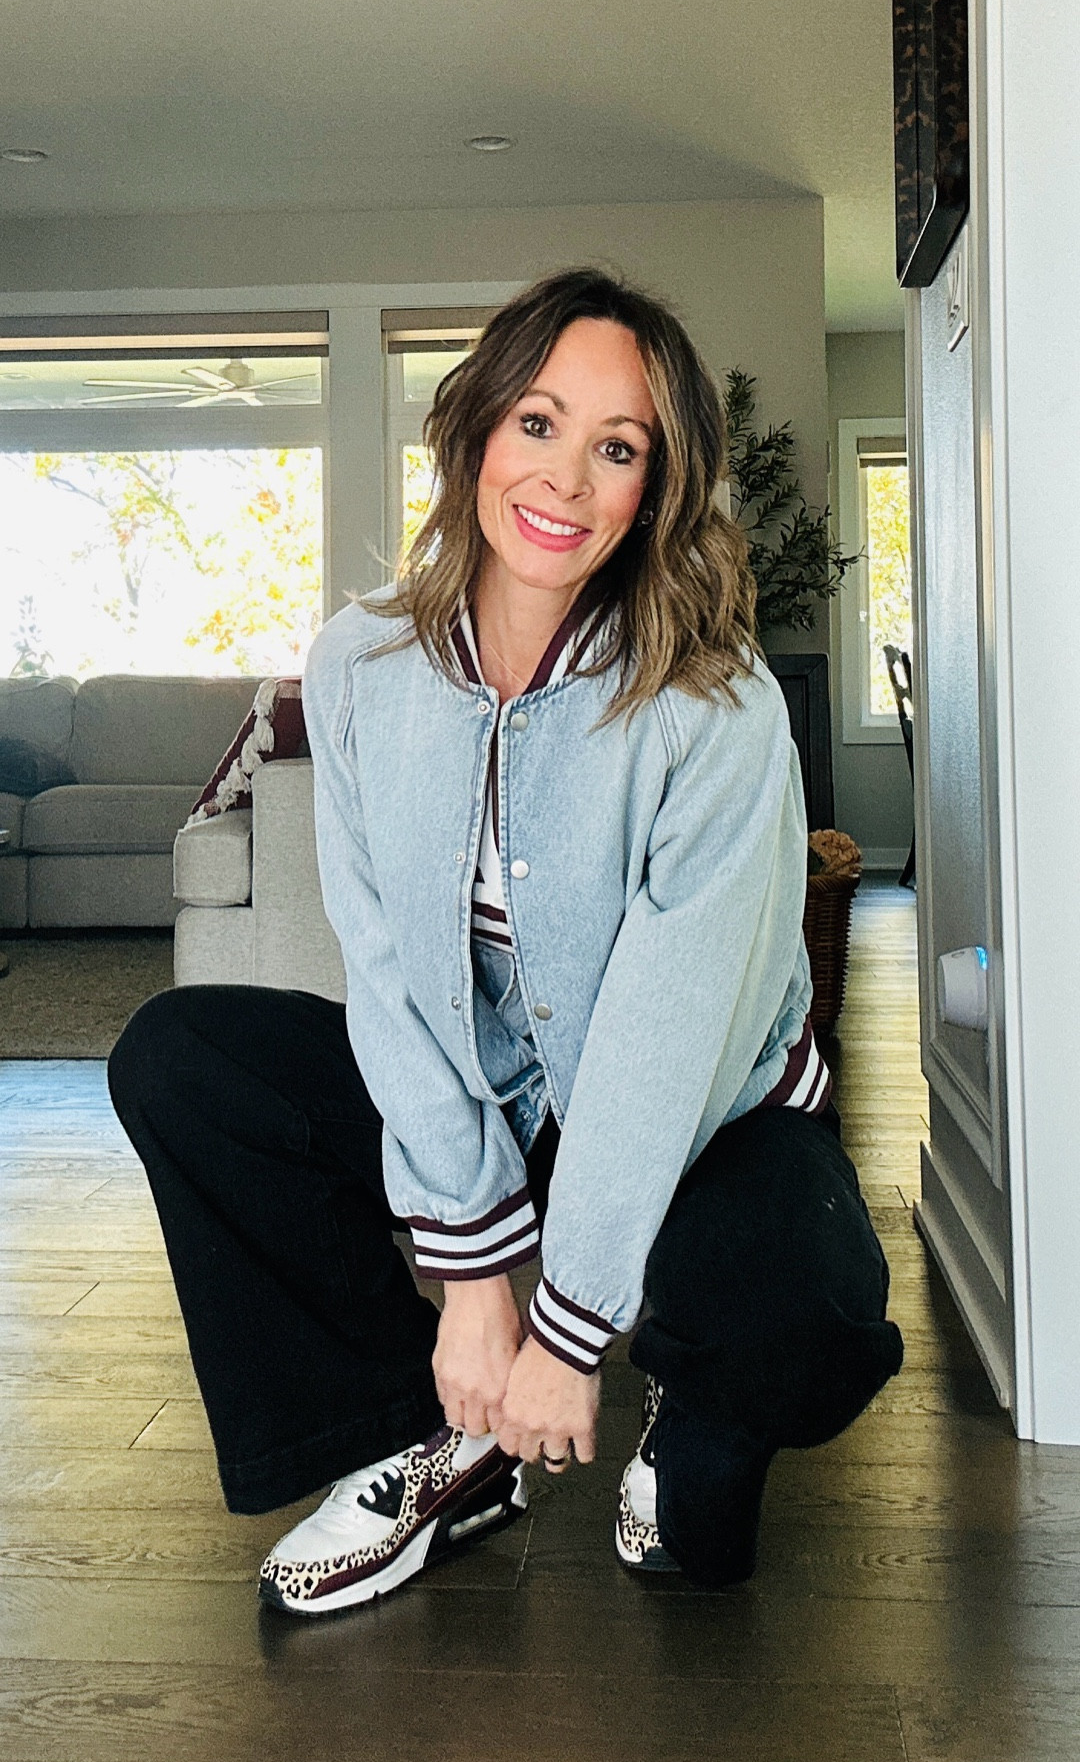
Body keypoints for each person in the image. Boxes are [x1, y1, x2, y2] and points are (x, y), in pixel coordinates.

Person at [108, 268, 902, 1617]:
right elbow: (390, 976)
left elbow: (667, 1040)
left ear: (655, 487)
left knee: (801, 1315)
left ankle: (690, 1421)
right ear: (476, 428)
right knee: (186, 1056)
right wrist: (474, 1277)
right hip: (503, 1097)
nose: (566, 480)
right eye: (538, 424)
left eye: (618, 448)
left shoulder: (716, 705)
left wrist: (570, 1328)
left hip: (705, 1122)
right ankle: (423, 1449)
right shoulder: (360, 666)